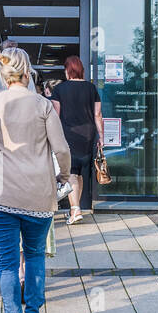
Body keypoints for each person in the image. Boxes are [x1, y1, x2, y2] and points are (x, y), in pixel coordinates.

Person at [0, 46, 70, 313]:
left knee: (7, 263)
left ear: (4, 74)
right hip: (38, 193)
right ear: (28, 72)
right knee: (34, 256)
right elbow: (62, 150)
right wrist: (64, 177)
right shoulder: (43, 105)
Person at [50, 55, 104, 224]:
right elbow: (97, 114)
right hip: (88, 134)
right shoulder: (91, 88)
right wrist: (101, 135)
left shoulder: (59, 90)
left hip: (68, 134)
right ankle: (76, 208)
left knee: (72, 172)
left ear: (68, 70)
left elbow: (55, 117)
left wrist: (52, 137)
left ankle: (75, 209)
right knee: (78, 172)